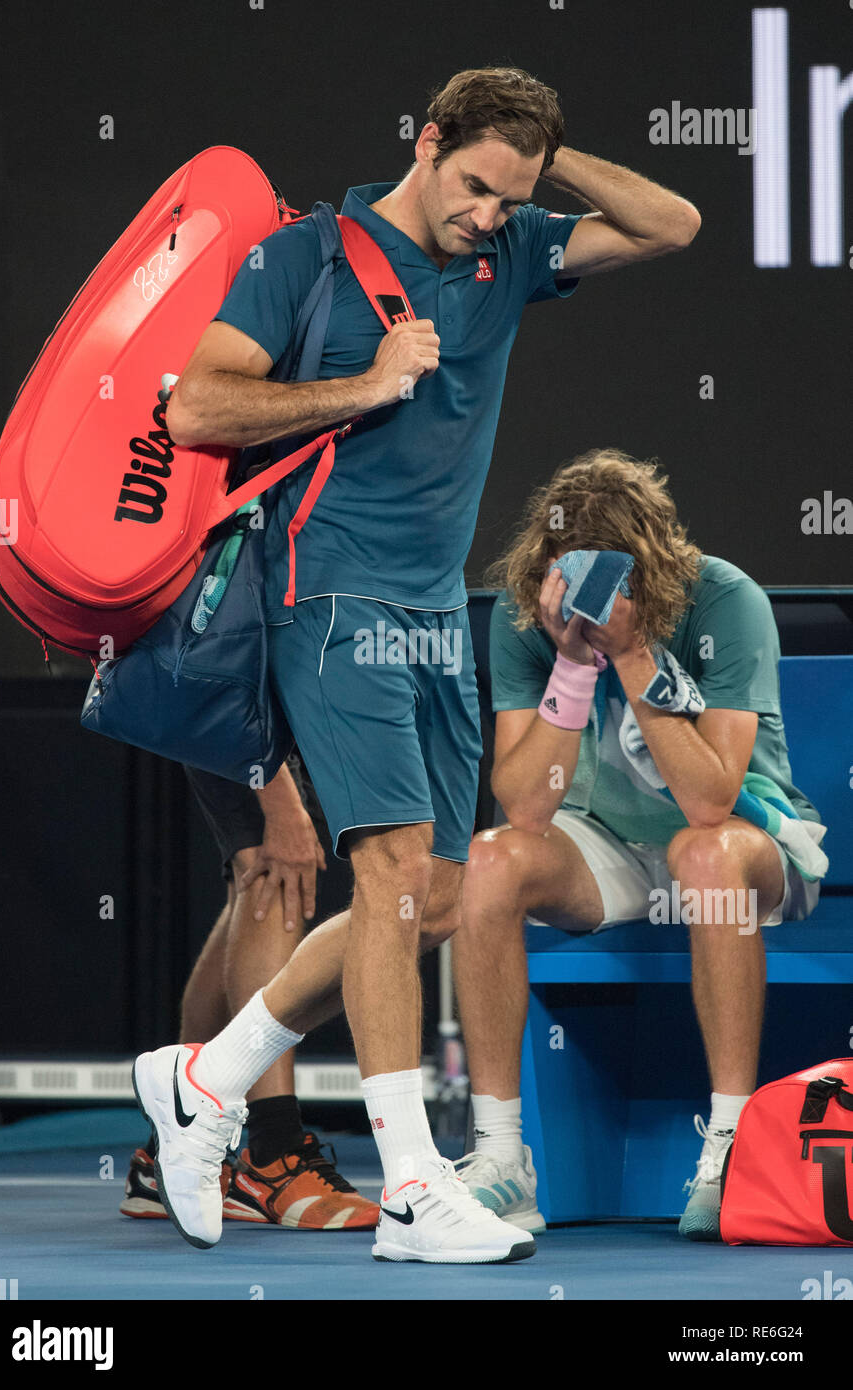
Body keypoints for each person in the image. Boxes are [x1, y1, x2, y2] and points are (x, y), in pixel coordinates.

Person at [133, 65, 701, 1264]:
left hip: (438, 612)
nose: (488, 215)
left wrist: (555, 154)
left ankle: (203, 1081)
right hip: (326, 596)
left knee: (429, 901)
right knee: (387, 867)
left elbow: (675, 225)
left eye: (514, 195)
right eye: (476, 186)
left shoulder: (514, 248)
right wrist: (364, 384)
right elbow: (194, 408)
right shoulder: (307, 256)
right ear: (427, 142)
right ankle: (410, 1185)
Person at [451, 448, 828, 1240]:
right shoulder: (533, 620)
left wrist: (630, 656)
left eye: (610, 577)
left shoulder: (724, 599)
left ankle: (727, 1148)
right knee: (488, 859)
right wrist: (571, 666)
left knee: (704, 854)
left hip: (753, 845)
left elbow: (710, 798)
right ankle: (499, 1159)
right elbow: (522, 809)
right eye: (571, 574)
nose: (589, 599)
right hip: (612, 847)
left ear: (651, 566)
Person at [121, 753, 379, 1231]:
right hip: (232, 706)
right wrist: (280, 807)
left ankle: (165, 1154)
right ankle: (272, 1155)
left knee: (256, 881)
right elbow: (233, 689)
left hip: (266, 711)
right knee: (272, 866)